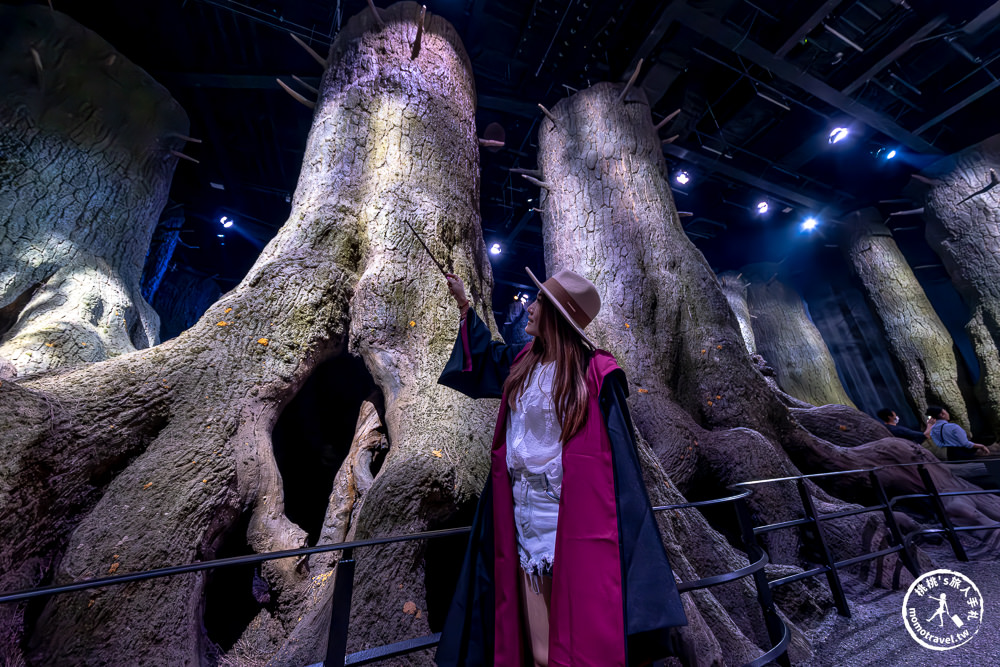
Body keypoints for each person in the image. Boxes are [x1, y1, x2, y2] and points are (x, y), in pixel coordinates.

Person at [435, 267, 686, 667]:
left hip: (568, 521)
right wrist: (465, 303)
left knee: (576, 638)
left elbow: (617, 460)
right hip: (521, 514)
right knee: (538, 647)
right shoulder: (524, 363)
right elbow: (484, 358)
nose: (529, 308)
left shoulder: (595, 374)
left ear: (555, 314)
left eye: (538, 302)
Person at [926, 406, 991, 461]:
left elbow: (939, 444)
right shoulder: (953, 427)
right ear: (942, 414)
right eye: (946, 412)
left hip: (948, 455)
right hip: (961, 454)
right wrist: (981, 446)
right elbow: (965, 443)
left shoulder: (933, 429)